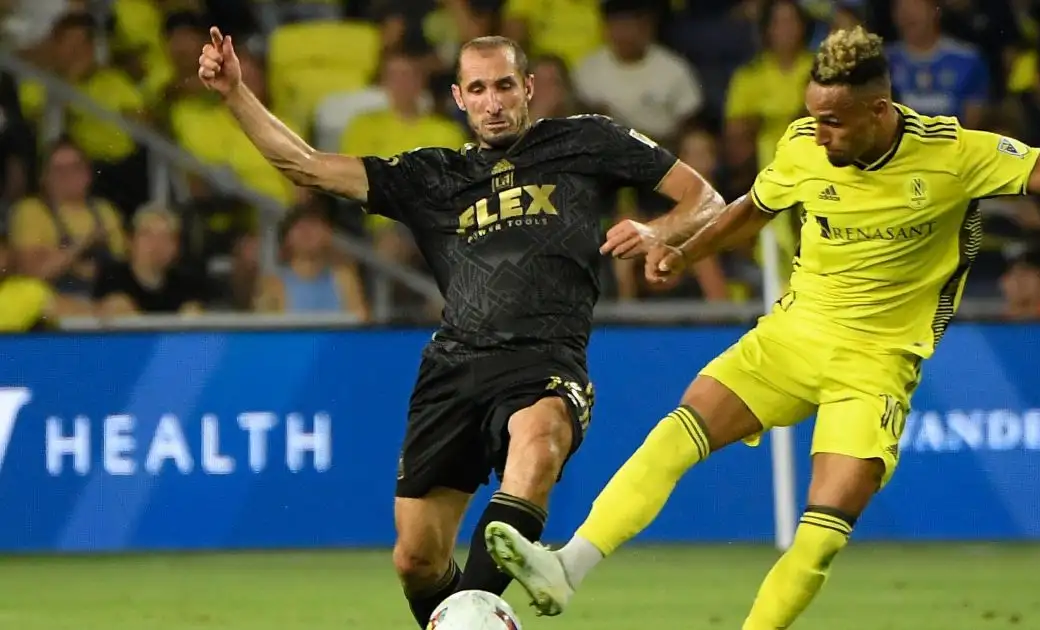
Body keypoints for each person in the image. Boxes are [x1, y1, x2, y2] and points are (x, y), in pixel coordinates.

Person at [483, 25, 1040, 629]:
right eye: (813, 116)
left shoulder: (956, 154)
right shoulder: (807, 144)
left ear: (878, 110)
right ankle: (566, 567)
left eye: (834, 121)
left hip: (877, 362)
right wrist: (684, 251)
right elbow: (755, 206)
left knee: (821, 532)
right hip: (794, 336)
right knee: (679, 430)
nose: (819, 131)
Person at [196, 27, 723, 628]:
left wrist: (659, 231)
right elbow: (308, 167)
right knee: (417, 560)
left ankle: (477, 616)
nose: (493, 101)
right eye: (478, 88)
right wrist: (237, 92)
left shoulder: (584, 140)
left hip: (544, 359)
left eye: (504, 85)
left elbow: (703, 199)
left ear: (528, 88)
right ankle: (471, 614)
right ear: (458, 98)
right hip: (453, 367)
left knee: (541, 439)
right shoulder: (433, 176)